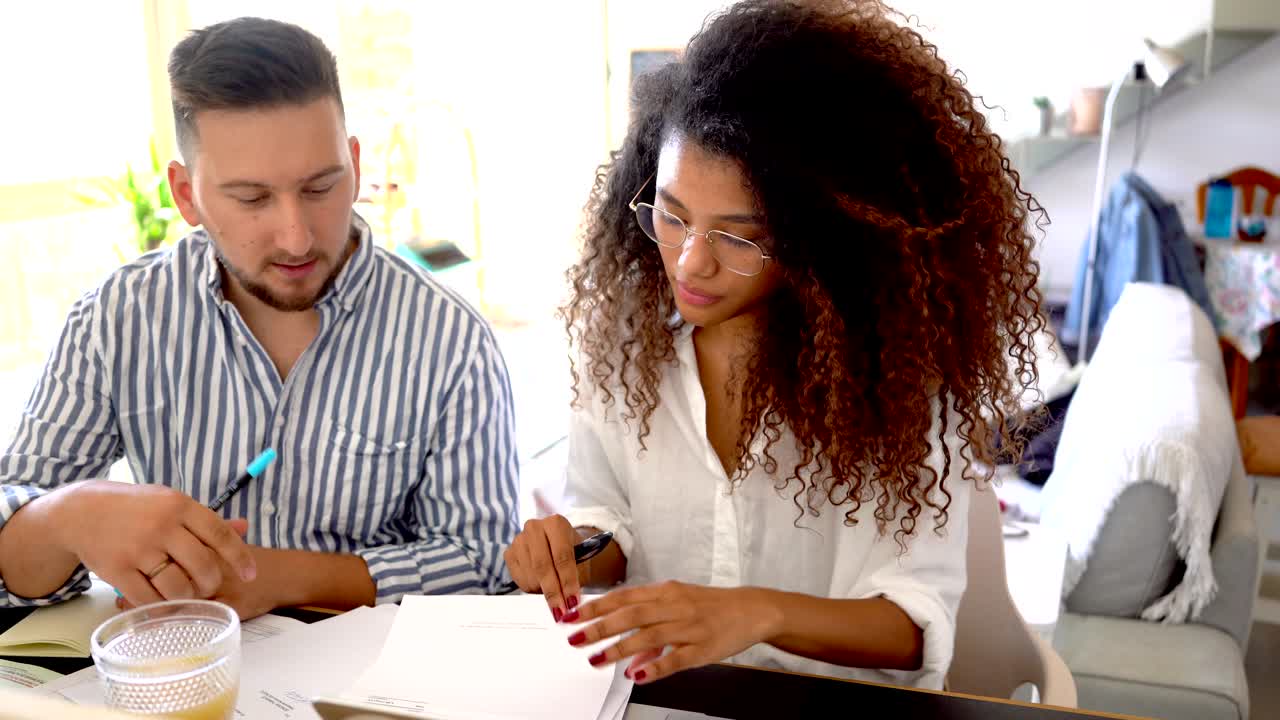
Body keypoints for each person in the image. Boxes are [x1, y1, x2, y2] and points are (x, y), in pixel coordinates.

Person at [504, 0, 1044, 690]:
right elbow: (609, 522)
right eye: (671, 215)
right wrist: (571, 554)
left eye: (737, 237)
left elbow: (914, 624)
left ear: (820, 239)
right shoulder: (625, 357)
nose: (690, 263)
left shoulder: (895, 393)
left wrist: (756, 613)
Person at [0, 17, 519, 619]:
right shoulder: (119, 319)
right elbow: (11, 552)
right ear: (187, 194)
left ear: (354, 165)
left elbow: (486, 561)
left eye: (322, 187)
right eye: (251, 199)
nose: (296, 237)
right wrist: (71, 515)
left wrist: (279, 578)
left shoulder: (449, 339)